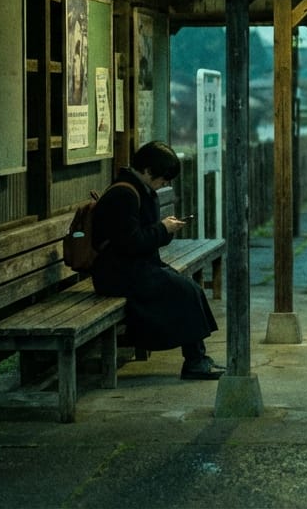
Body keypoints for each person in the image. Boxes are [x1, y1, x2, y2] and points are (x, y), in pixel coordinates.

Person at [90, 141, 224, 380]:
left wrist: (165, 230)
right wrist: (163, 229)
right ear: (148, 171)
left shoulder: (137, 189)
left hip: (131, 267)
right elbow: (130, 242)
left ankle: (198, 359)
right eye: (163, 178)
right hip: (117, 273)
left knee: (189, 288)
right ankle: (195, 362)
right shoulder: (124, 194)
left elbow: (140, 239)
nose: (165, 184)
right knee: (185, 291)